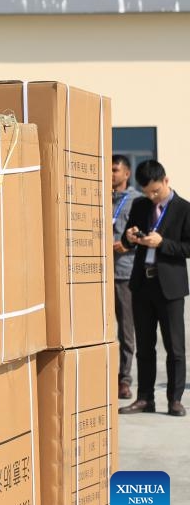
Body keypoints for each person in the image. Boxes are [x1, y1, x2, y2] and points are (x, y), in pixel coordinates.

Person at [119, 160, 189, 417]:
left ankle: (175, 399)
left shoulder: (183, 208)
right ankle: (145, 398)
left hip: (170, 287)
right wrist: (130, 236)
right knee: (145, 346)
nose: (151, 196)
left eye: (156, 191)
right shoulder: (139, 205)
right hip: (142, 284)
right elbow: (129, 239)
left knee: (175, 347)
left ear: (166, 181)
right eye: (147, 192)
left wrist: (163, 243)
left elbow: (188, 247)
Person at [112, 155, 141, 399]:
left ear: (126, 174)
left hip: (123, 273)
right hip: (98, 276)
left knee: (126, 330)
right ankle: (104, 374)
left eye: (115, 170)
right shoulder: (99, 197)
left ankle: (125, 378)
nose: (111, 175)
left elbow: (144, 235)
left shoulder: (136, 201)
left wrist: (126, 245)